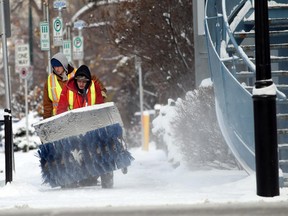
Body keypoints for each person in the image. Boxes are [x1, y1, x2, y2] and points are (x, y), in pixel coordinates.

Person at [56, 64, 113, 188]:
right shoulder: (67, 89)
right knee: (68, 150)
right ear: (75, 80)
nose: (81, 84)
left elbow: (99, 107)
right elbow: (61, 109)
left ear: (88, 81)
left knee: (101, 147)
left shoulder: (95, 88)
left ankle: (99, 173)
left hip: (91, 127)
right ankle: (69, 177)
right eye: (79, 81)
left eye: (84, 81)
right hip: (73, 127)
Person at [42, 52, 107, 119]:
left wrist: (101, 95)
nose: (56, 69)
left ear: (64, 64)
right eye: (54, 67)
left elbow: (92, 80)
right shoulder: (50, 80)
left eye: (58, 66)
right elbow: (47, 104)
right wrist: (47, 119)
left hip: (77, 116)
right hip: (58, 118)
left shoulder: (77, 73)